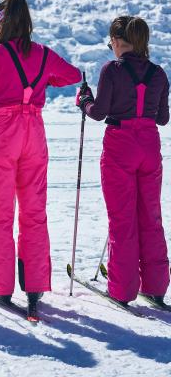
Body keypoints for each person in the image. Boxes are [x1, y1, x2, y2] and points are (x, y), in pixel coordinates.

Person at [0, 0, 81, 317]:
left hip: (2, 132)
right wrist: (42, 82)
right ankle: (35, 286)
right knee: (34, 213)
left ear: (1, 24)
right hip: (34, 133)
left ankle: (0, 287)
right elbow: (73, 75)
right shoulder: (43, 53)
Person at [77, 16, 169, 305]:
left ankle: (122, 289)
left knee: (122, 219)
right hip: (149, 145)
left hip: (120, 145)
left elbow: (99, 112)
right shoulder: (158, 73)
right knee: (150, 216)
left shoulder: (112, 70)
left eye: (111, 42)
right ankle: (156, 284)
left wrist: (84, 100)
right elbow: (163, 118)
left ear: (118, 41)